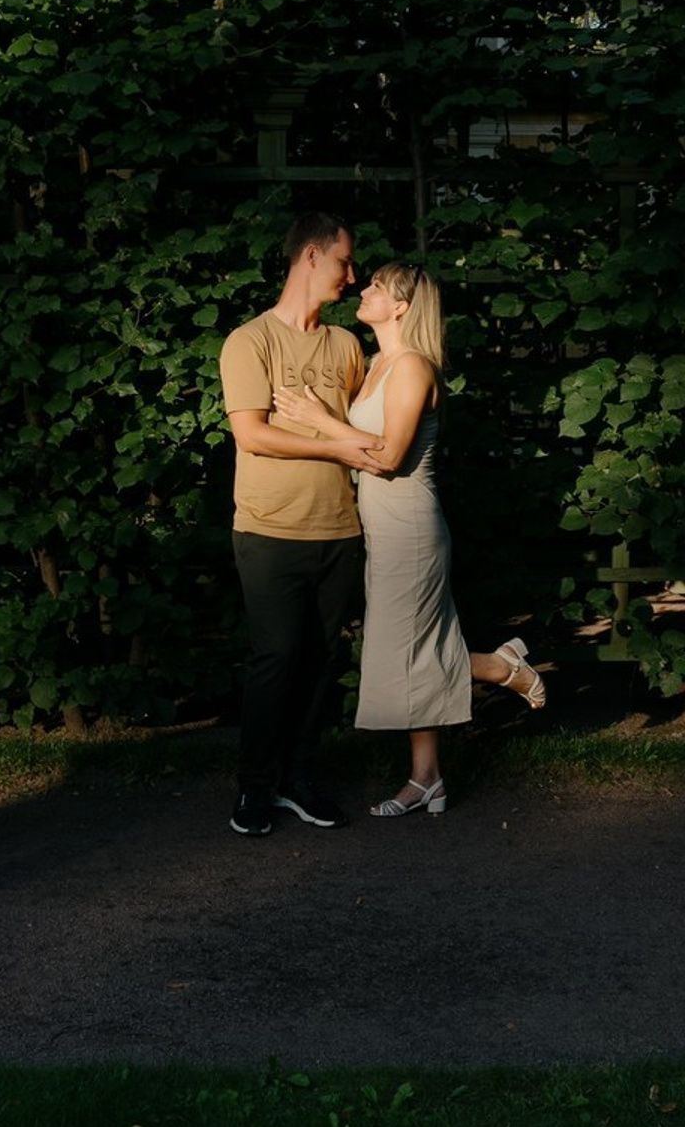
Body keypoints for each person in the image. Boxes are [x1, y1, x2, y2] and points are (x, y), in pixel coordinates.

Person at [274, 263, 547, 816]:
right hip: (382, 524)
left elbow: (390, 454)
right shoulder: (377, 363)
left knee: (407, 652)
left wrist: (318, 419)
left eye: (376, 286)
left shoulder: (414, 368)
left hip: (412, 527)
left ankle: (499, 667)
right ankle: (427, 779)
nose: (363, 289)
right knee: (411, 649)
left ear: (401, 307)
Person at [219, 212, 387, 838]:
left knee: (321, 662)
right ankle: (254, 788)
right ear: (311, 257)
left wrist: (341, 440)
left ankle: (297, 780)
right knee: (275, 658)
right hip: (268, 531)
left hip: (339, 531)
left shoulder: (345, 346)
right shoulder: (250, 341)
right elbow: (253, 435)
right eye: (345, 261)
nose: (352, 274)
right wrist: (337, 448)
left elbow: (363, 436)